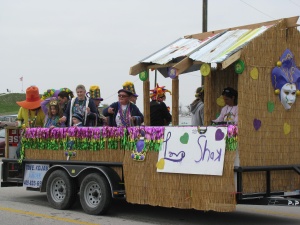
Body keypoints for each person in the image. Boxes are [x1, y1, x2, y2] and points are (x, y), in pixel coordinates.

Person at [16, 86, 45, 158]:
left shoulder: (43, 110)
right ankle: (21, 168)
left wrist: (39, 129)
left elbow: (46, 125)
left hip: (40, 137)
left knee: (39, 154)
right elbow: (18, 120)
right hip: (26, 136)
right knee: (18, 151)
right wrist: (22, 126)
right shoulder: (22, 108)